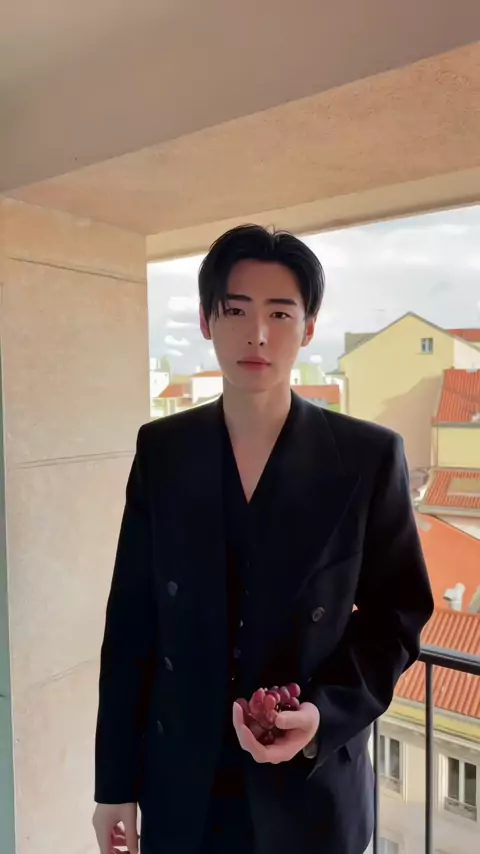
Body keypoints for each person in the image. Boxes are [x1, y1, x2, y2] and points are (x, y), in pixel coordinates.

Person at [93, 225, 433, 854]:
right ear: (205, 321)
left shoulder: (366, 457)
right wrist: (115, 784)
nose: (257, 334)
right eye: (236, 311)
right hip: (183, 783)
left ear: (308, 327)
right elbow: (132, 622)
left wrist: (324, 714)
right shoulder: (164, 450)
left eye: (280, 313)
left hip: (310, 785)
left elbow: (398, 615)